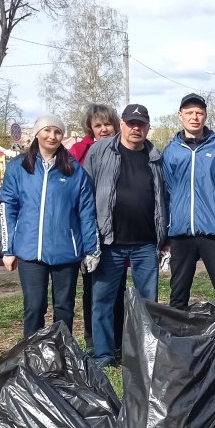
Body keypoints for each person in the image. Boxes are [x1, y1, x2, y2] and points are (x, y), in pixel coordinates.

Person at [81, 103, 168, 367]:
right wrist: (89, 238)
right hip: (109, 243)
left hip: (146, 244)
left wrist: (165, 240)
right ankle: (104, 353)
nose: (136, 128)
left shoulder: (156, 156)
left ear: (147, 127)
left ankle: (143, 351)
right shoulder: (99, 151)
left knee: (147, 302)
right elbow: (85, 195)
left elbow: (164, 197)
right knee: (103, 300)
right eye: (131, 123)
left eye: (141, 124)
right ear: (122, 124)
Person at [0, 113, 98, 337]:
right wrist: (9, 249)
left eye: (57, 132)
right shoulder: (18, 167)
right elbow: (8, 208)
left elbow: (86, 212)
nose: (52, 136)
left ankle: (62, 356)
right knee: (34, 307)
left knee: (64, 308)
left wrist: (91, 249)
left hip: (66, 252)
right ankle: (32, 357)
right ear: (37, 133)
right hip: (29, 251)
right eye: (47, 130)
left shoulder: (74, 170)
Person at [162, 93, 215, 310]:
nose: (194, 117)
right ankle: (177, 339)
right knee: (178, 295)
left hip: (214, 232)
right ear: (180, 116)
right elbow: (167, 191)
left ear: (205, 116)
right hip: (181, 234)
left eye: (199, 113)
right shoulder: (171, 152)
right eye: (189, 113)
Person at [67, 104, 121, 355]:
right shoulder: (79, 151)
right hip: (90, 228)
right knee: (92, 285)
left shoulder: (123, 146)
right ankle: (92, 338)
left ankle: (118, 337)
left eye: (107, 124)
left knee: (117, 286)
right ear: (90, 128)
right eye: (98, 125)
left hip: (119, 229)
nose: (103, 129)